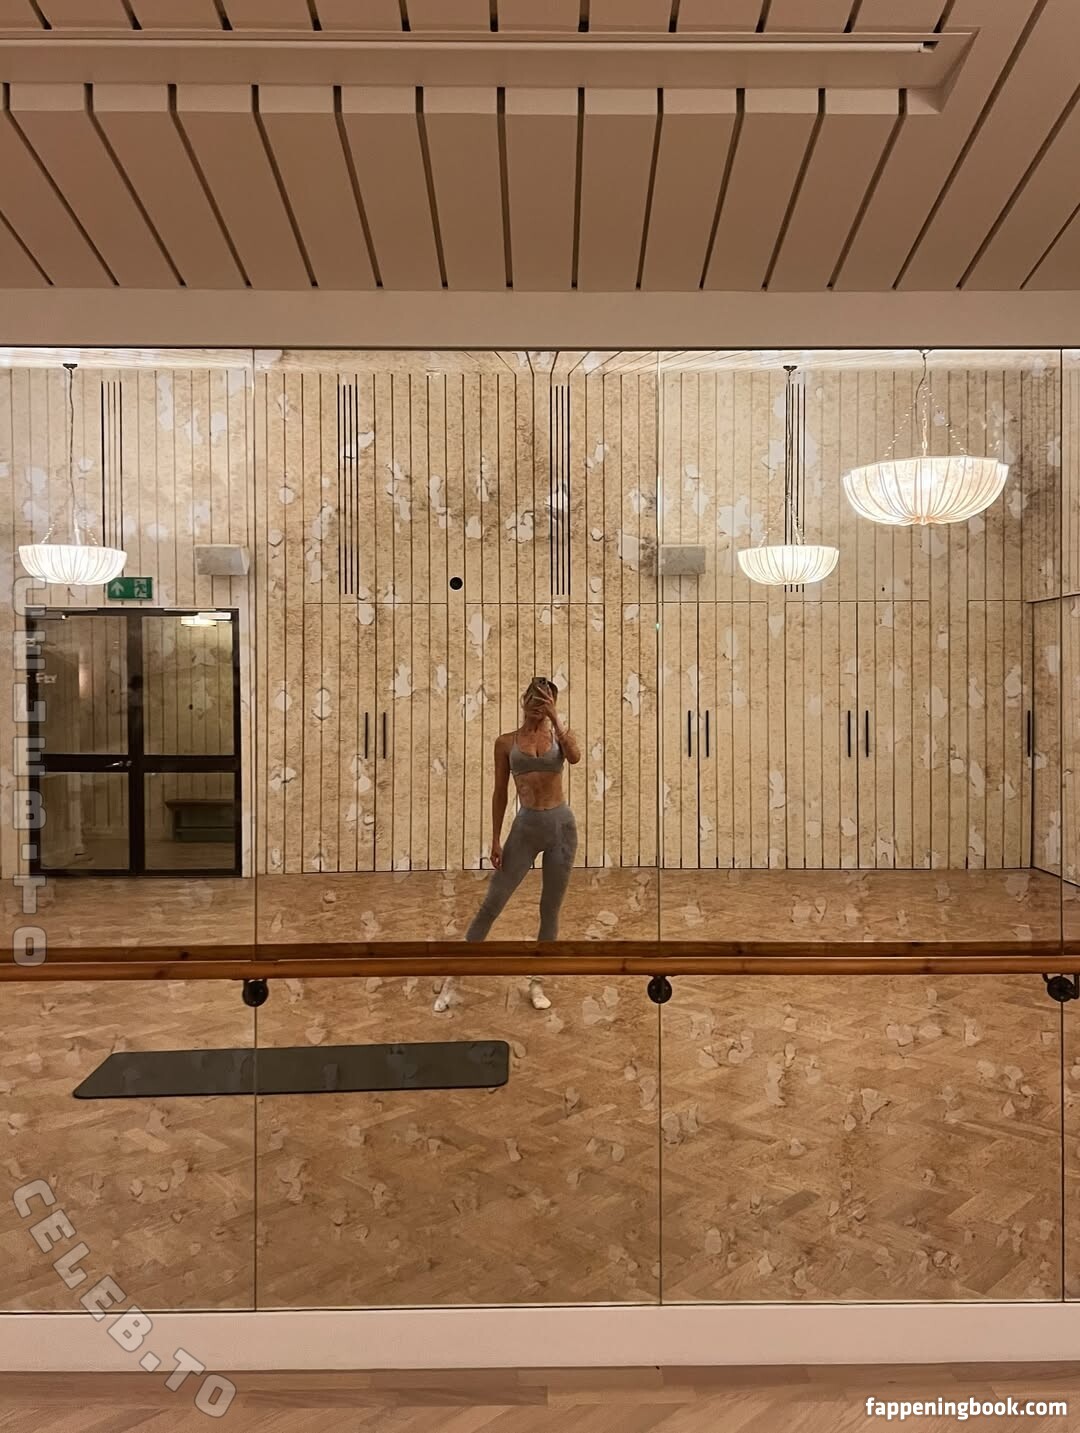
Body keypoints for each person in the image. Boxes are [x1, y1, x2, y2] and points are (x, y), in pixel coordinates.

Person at [434, 677, 581, 1013]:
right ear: (523, 700)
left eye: (546, 700)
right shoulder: (505, 743)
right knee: (492, 903)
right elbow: (500, 792)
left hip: (561, 828)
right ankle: (454, 978)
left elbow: (574, 757)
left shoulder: (559, 736)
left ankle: (537, 981)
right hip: (526, 828)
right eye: (534, 699)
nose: (538, 705)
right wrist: (495, 837)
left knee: (550, 908)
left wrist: (556, 718)